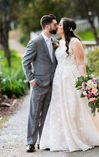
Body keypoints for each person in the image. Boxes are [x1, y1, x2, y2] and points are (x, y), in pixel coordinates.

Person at [40, 17, 99, 152]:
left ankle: (81, 135)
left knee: (75, 107)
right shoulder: (59, 42)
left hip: (72, 78)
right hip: (59, 80)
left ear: (66, 27)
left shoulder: (75, 42)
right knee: (61, 107)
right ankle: (64, 138)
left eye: (59, 25)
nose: (57, 27)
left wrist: (85, 82)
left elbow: (81, 63)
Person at [22, 14, 58, 153]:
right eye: (55, 25)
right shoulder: (35, 42)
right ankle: (30, 142)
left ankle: (42, 141)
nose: (56, 27)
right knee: (34, 113)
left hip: (51, 83)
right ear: (47, 26)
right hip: (38, 84)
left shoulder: (55, 41)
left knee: (46, 114)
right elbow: (25, 61)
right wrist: (31, 79)